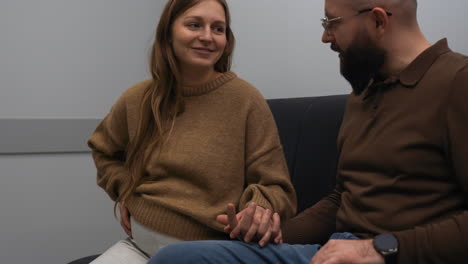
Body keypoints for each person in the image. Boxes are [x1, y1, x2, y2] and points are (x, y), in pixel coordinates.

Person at [147, 0, 468, 263]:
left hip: (396, 255)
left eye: (332, 23)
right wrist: (273, 233)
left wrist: (381, 248)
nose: (326, 38)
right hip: (335, 250)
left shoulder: (457, 82)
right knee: (178, 257)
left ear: (378, 21)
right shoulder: (365, 90)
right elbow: (343, 199)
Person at [86, 0, 297, 263]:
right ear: (168, 32)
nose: (207, 37)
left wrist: (258, 210)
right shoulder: (138, 98)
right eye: (194, 25)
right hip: (138, 248)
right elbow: (103, 150)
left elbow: (277, 187)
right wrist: (125, 190)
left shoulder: (246, 100)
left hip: (205, 256)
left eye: (218, 29)